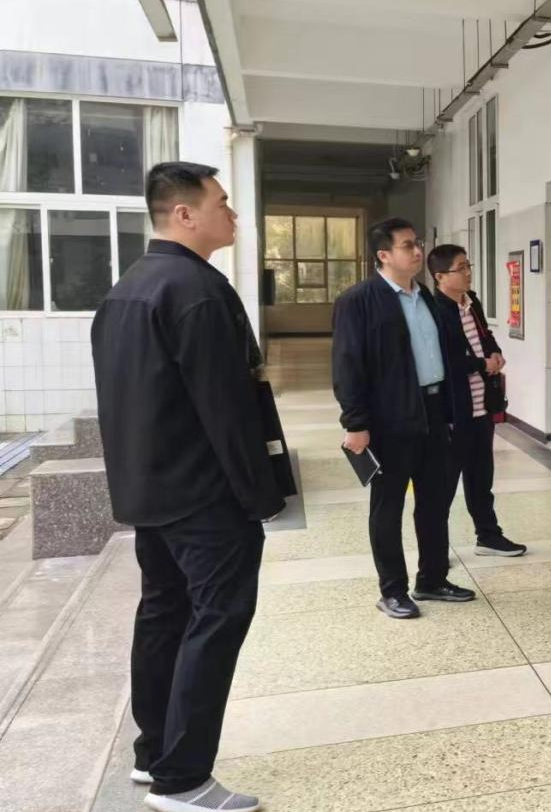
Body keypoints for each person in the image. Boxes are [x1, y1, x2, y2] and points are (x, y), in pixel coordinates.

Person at [92, 161, 282, 812]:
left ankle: (154, 755)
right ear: (183, 214)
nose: (233, 214)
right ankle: (184, 779)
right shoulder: (198, 291)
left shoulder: (128, 288)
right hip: (205, 496)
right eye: (222, 203)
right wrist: (260, 496)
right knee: (217, 619)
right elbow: (227, 409)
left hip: (150, 492)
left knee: (164, 614)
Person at [332, 218, 476, 619]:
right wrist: (355, 423)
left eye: (418, 243)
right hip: (389, 419)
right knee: (388, 506)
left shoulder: (425, 296)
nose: (417, 251)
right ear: (384, 255)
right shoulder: (358, 301)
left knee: (434, 502)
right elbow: (347, 365)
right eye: (408, 245)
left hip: (433, 412)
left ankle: (432, 579)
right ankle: (392, 590)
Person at [427, 244, 527, 557]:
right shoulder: (434, 311)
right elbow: (444, 360)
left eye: (468, 265)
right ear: (440, 276)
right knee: (443, 487)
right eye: (461, 268)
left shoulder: (472, 302)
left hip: (482, 406)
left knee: (481, 478)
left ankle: (488, 536)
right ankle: (435, 552)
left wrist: (495, 353)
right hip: (454, 412)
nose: (468, 272)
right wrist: (482, 364)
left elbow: (484, 337)